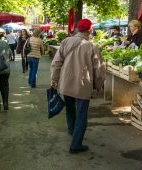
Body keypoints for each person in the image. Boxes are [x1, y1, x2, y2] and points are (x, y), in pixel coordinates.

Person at [50, 19, 105, 154]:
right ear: (90, 30)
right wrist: (98, 86)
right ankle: (75, 144)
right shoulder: (93, 46)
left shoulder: (66, 41)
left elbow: (56, 62)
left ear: (77, 29)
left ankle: (72, 130)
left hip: (66, 83)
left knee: (70, 110)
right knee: (81, 115)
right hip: (82, 85)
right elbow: (99, 70)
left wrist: (54, 79)